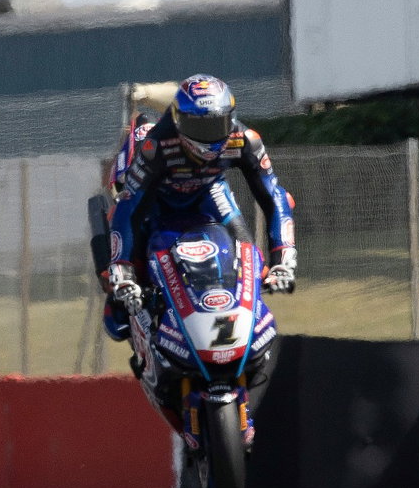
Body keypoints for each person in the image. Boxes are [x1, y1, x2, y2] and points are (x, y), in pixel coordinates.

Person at [103, 75, 298, 343]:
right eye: (199, 126)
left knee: (251, 258)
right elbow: (130, 204)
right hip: (158, 199)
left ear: (231, 117)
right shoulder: (156, 145)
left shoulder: (245, 139)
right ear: (178, 121)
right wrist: (121, 268)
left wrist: (283, 259)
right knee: (130, 253)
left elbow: (274, 196)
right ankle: (121, 297)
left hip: (209, 191)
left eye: (218, 124)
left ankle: (245, 320)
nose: (210, 136)